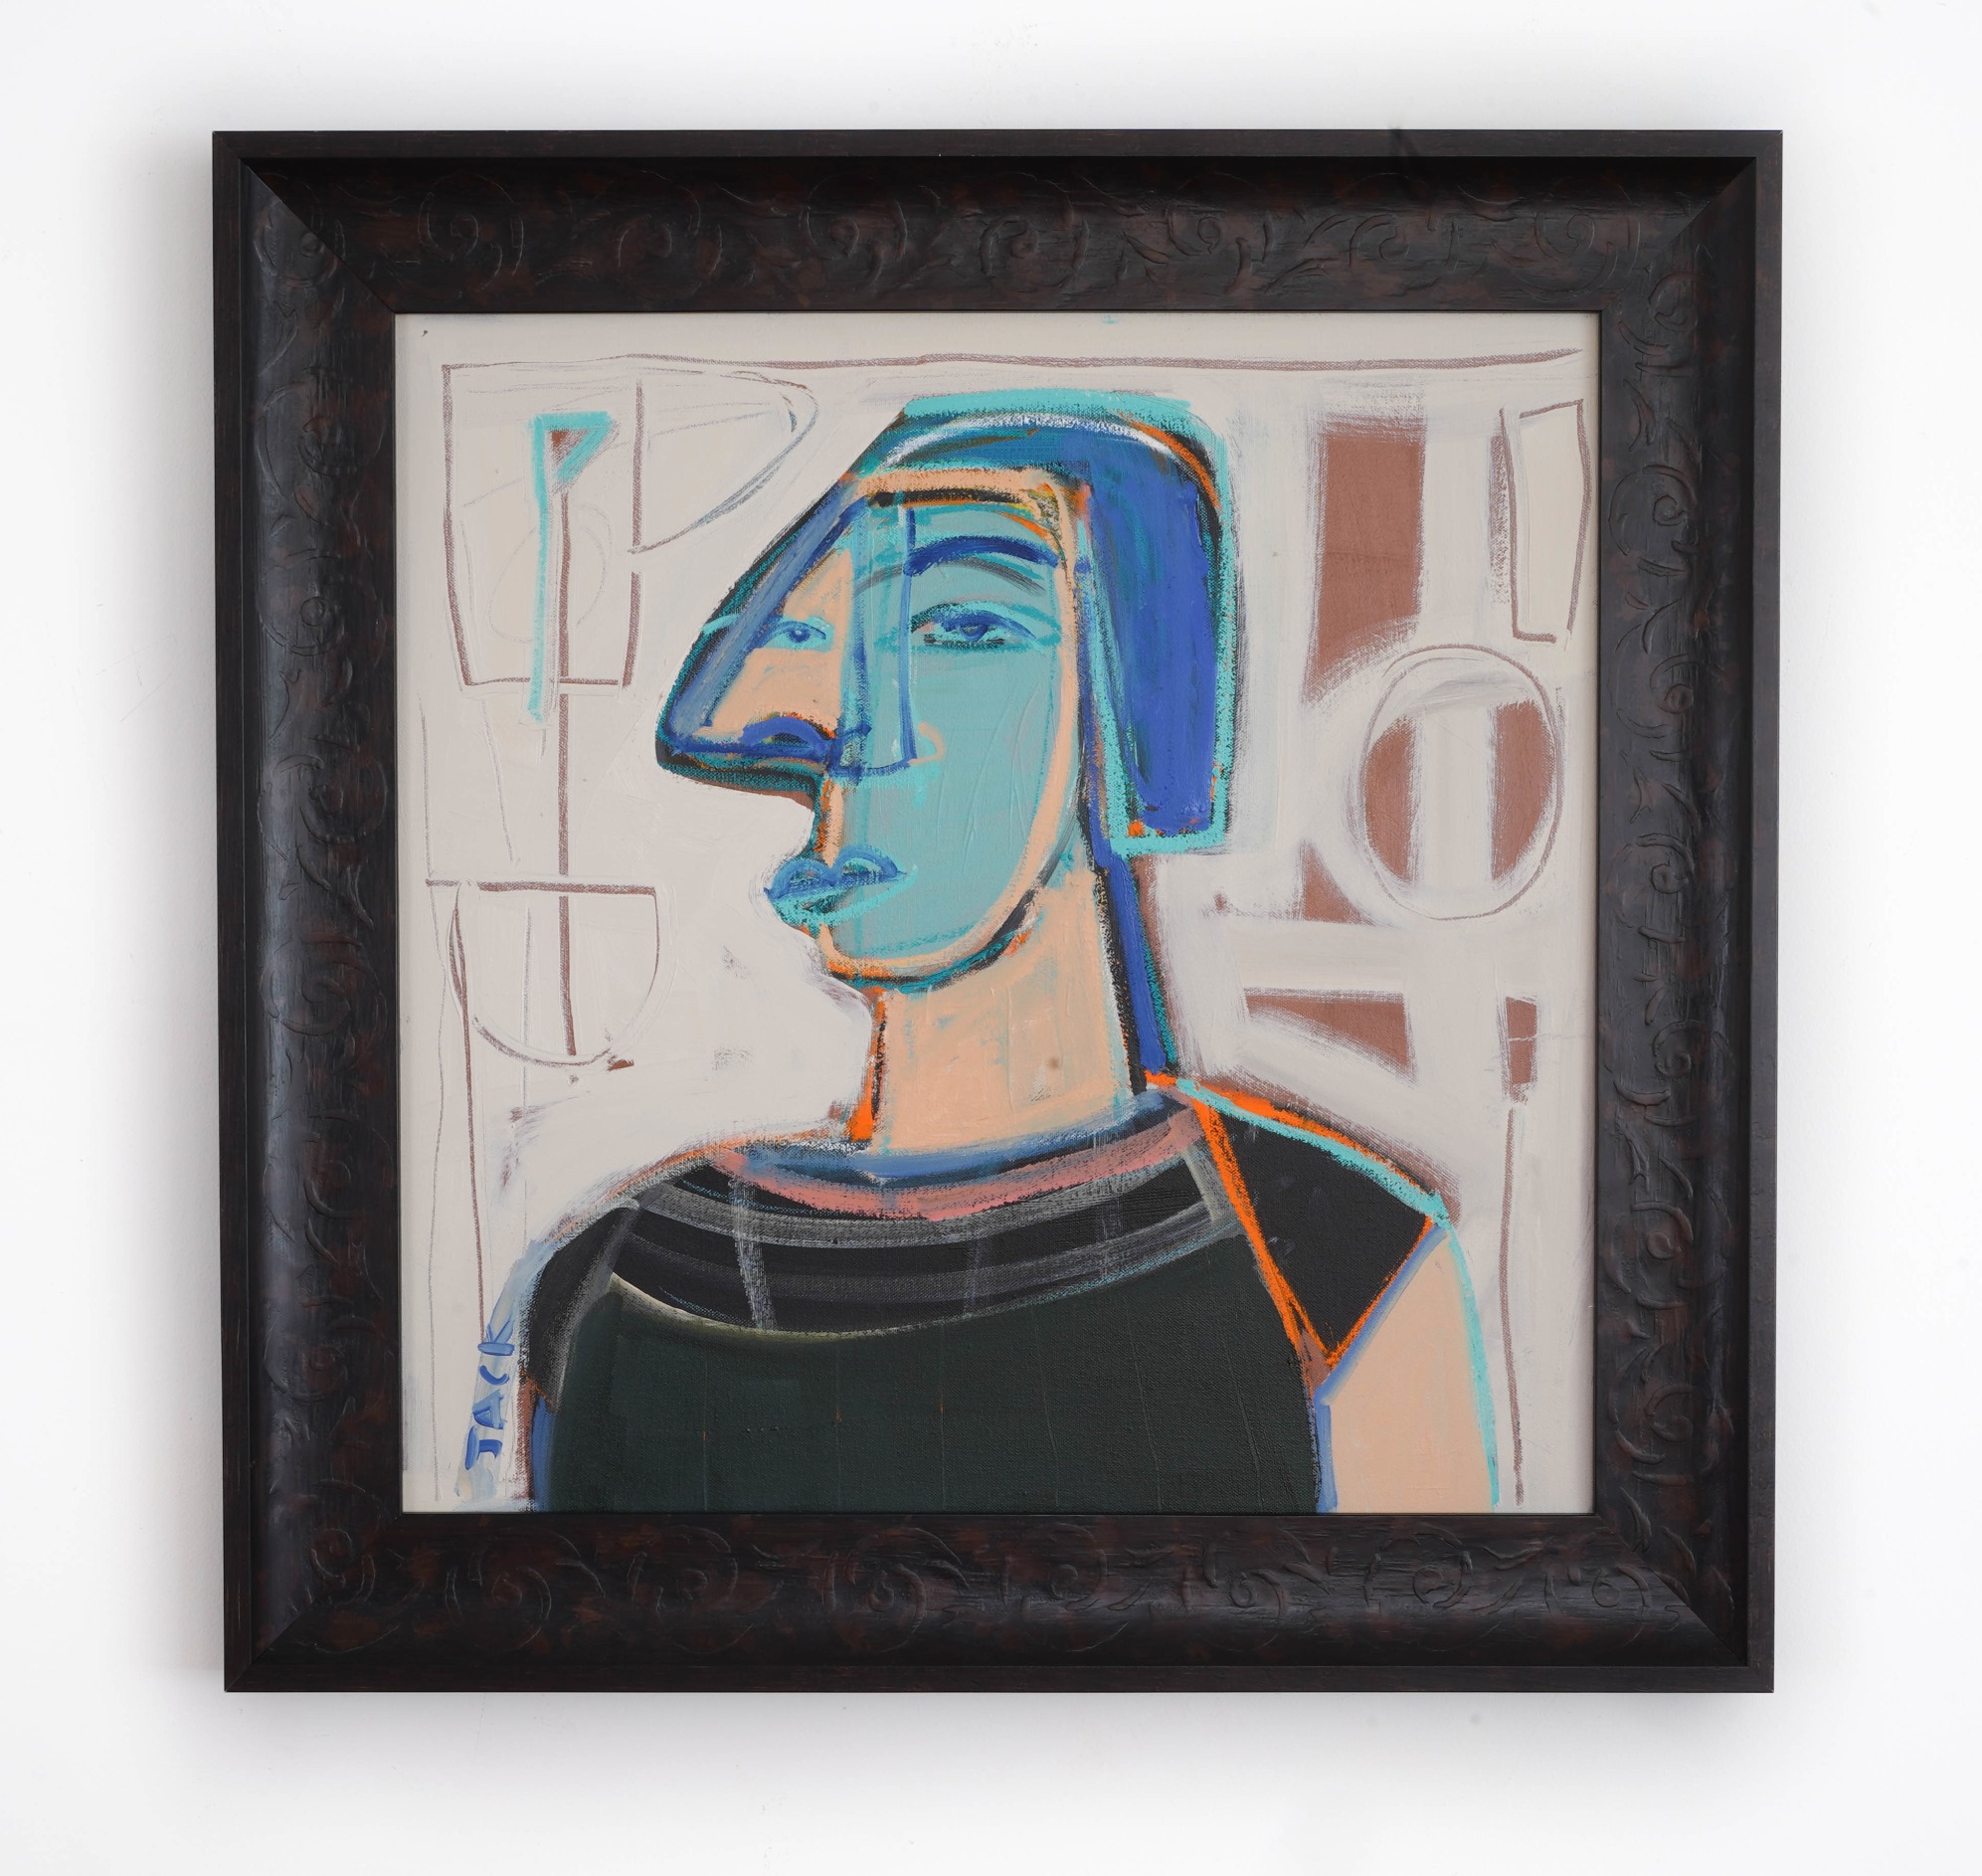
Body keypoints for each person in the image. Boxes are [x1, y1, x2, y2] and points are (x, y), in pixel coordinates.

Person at [463, 391, 1496, 1513]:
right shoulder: (612, 1277)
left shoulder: (1334, 1256)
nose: (857, 736)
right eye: (820, 644)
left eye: (961, 631)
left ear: (1129, 710)